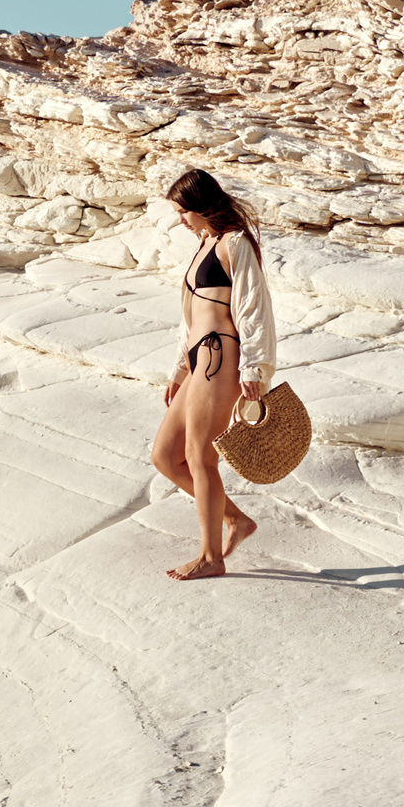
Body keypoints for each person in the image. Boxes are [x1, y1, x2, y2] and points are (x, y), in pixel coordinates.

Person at [147, 169, 277, 579]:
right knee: (165, 456)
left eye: (183, 212)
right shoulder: (205, 243)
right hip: (198, 359)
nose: (180, 220)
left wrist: (254, 367)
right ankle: (236, 520)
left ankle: (210, 557)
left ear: (202, 206)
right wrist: (179, 370)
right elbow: (189, 317)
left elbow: (254, 307)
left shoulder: (235, 244)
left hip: (221, 356)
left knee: (200, 457)